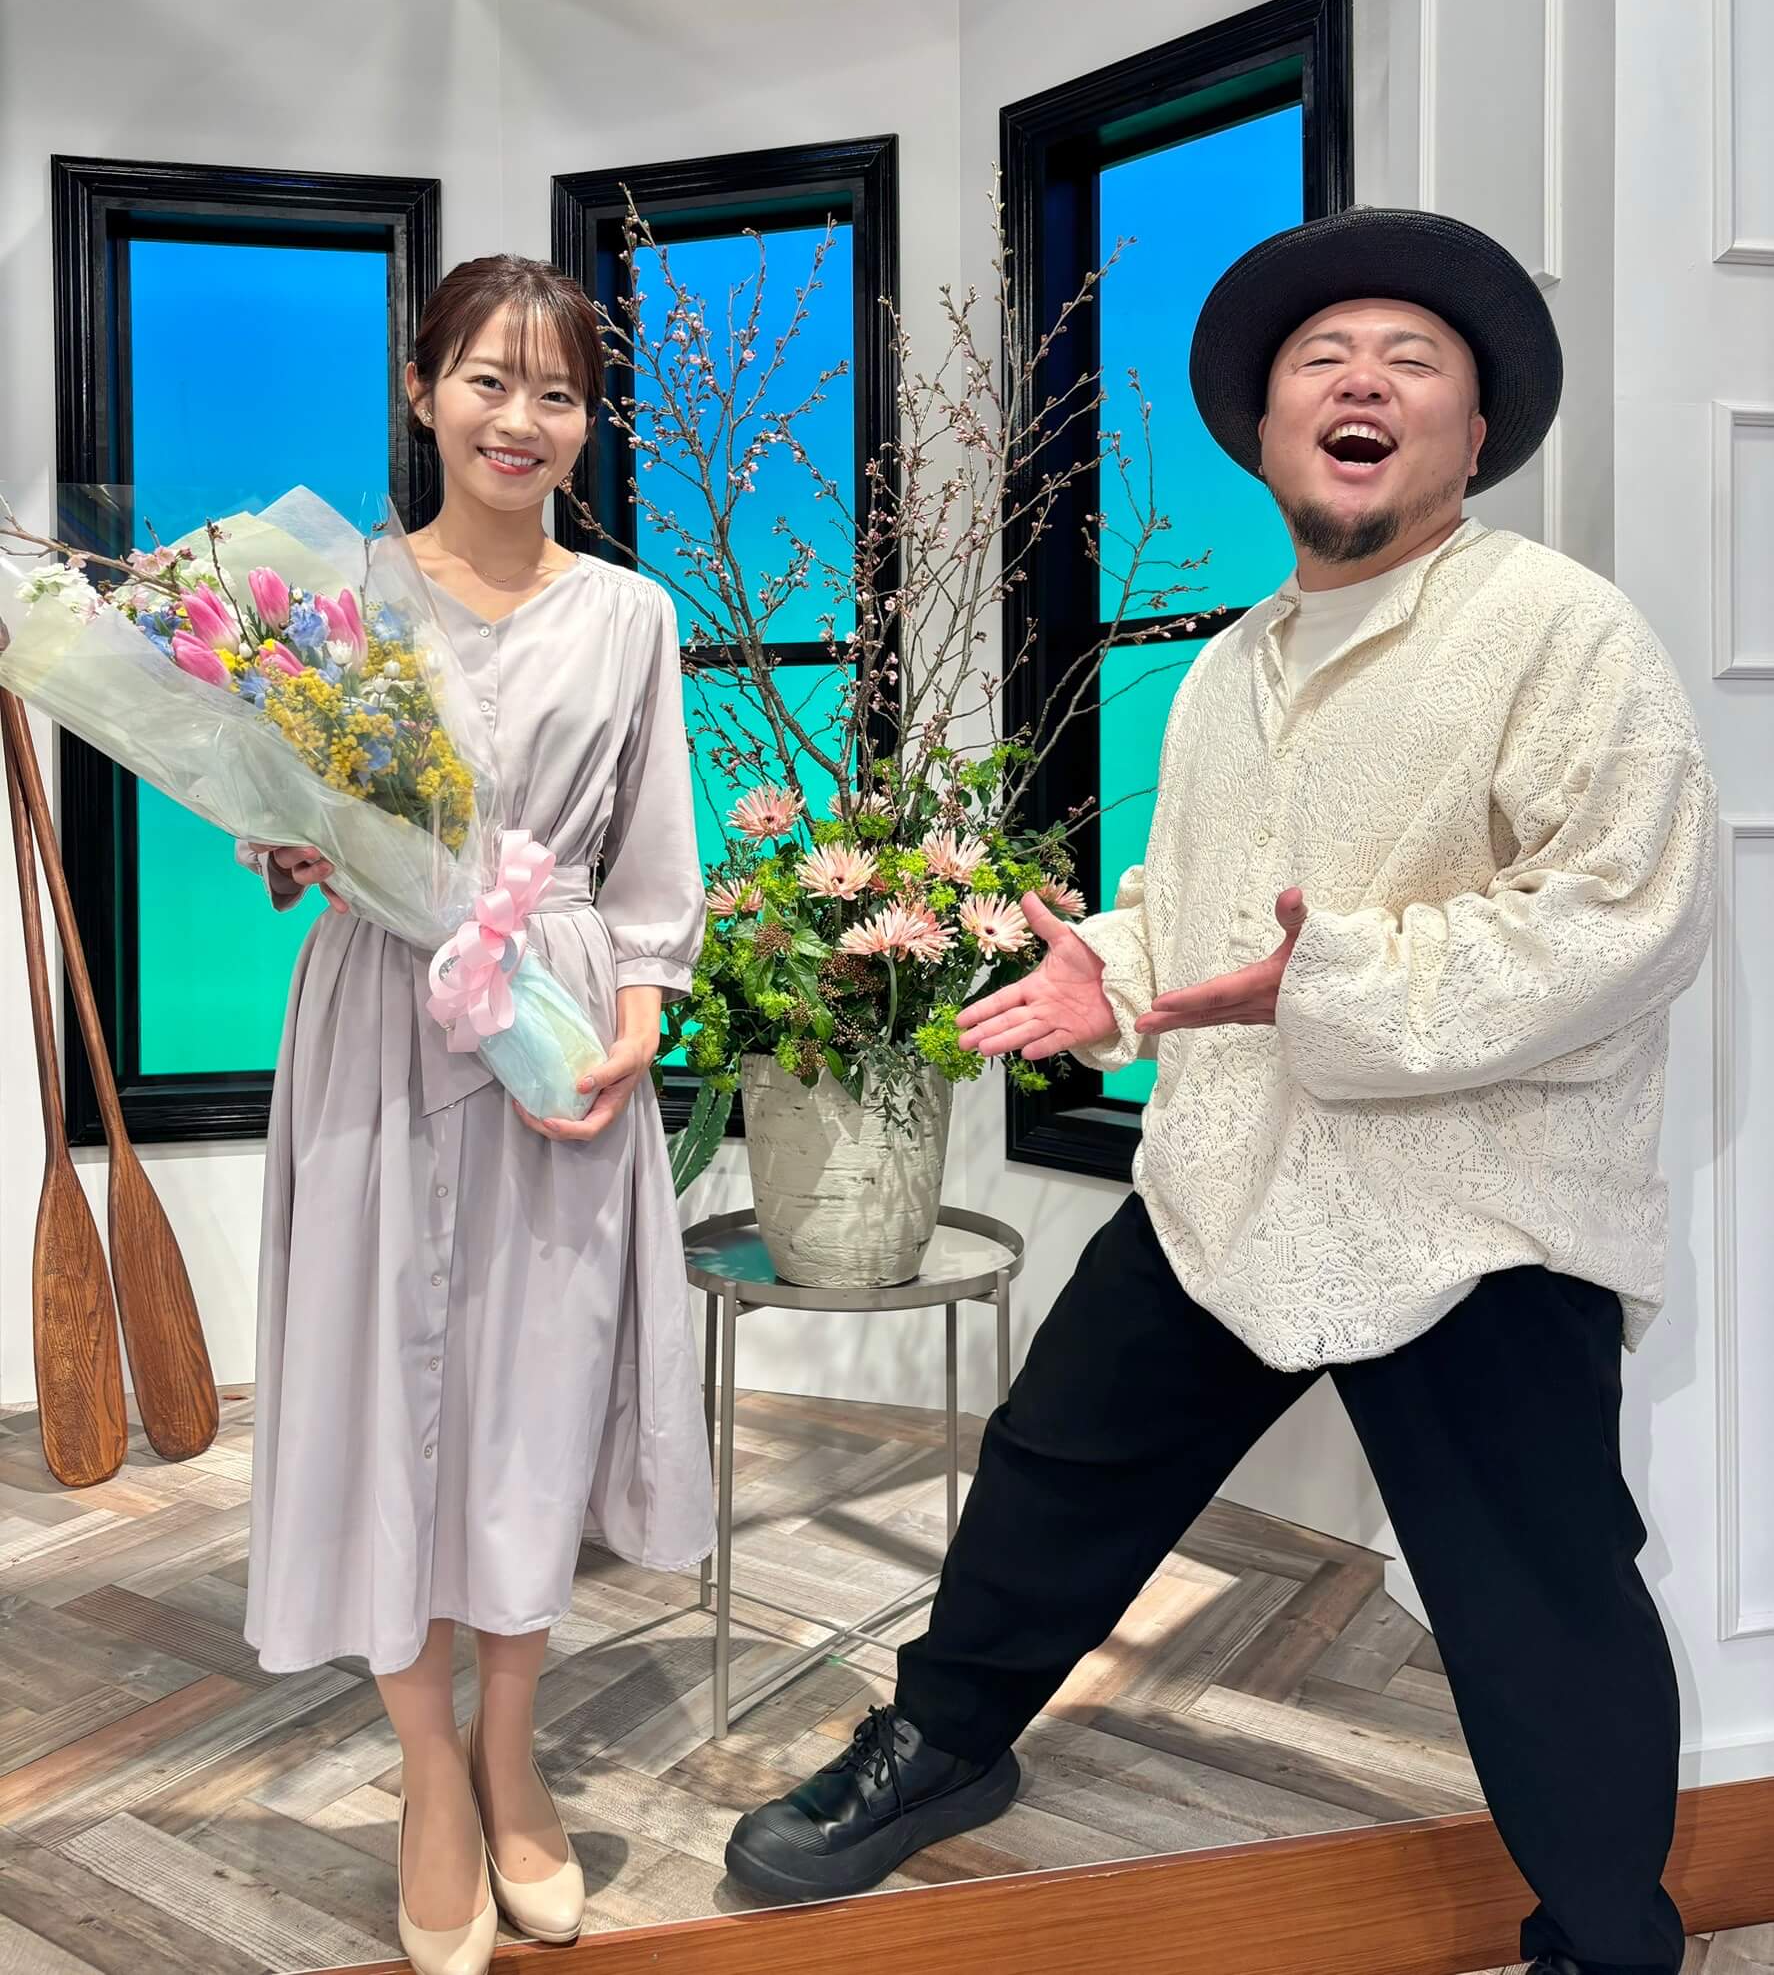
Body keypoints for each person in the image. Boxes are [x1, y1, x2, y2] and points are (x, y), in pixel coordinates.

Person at [724, 206, 1717, 1975]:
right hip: (1234, 1168)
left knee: (1538, 1589)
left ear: (1474, 430)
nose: (1360, 384)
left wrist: (1330, 980)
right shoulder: (1226, 668)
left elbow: (1623, 917)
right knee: (1055, 1459)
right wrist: (1112, 967)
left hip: (1474, 1210)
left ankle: (1606, 1938)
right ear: (1264, 432)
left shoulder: (1559, 631)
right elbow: (1200, 907)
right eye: (1319, 362)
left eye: (1410, 361)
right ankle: (941, 1743)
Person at [239, 255, 714, 1975]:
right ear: (423, 390)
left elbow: (652, 849)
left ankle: (512, 1750)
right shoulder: (333, 602)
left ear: (590, 424)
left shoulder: (631, 614)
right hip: (380, 1009)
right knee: (376, 1377)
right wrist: (289, 833)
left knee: (532, 1389)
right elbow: (281, 826)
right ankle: (426, 1768)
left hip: (556, 1029)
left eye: (559, 392)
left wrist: (641, 1012)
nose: (522, 421)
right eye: (489, 381)